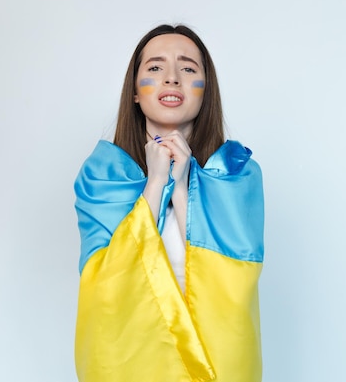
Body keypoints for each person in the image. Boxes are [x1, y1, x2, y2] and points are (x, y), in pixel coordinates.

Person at [73, 24, 265, 382]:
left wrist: (181, 186)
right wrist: (156, 181)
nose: (172, 78)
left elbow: (235, 285)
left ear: (206, 91)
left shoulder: (237, 173)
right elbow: (103, 288)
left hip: (214, 365)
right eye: (156, 68)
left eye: (189, 69)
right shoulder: (103, 177)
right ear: (135, 91)